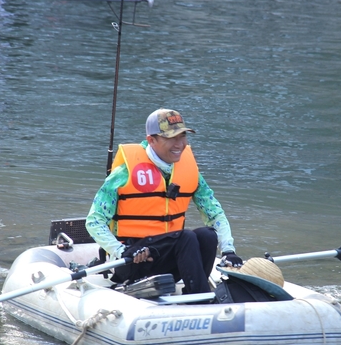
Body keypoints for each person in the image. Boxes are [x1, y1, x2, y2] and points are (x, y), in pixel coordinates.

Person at [85, 108, 242, 294]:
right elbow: (94, 221)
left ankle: (194, 292)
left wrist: (228, 251)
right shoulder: (124, 173)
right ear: (151, 140)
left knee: (208, 235)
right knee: (186, 237)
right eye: (171, 137)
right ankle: (201, 296)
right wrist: (121, 251)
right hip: (133, 260)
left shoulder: (191, 173)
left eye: (183, 136)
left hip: (170, 257)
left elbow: (214, 213)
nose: (180, 144)